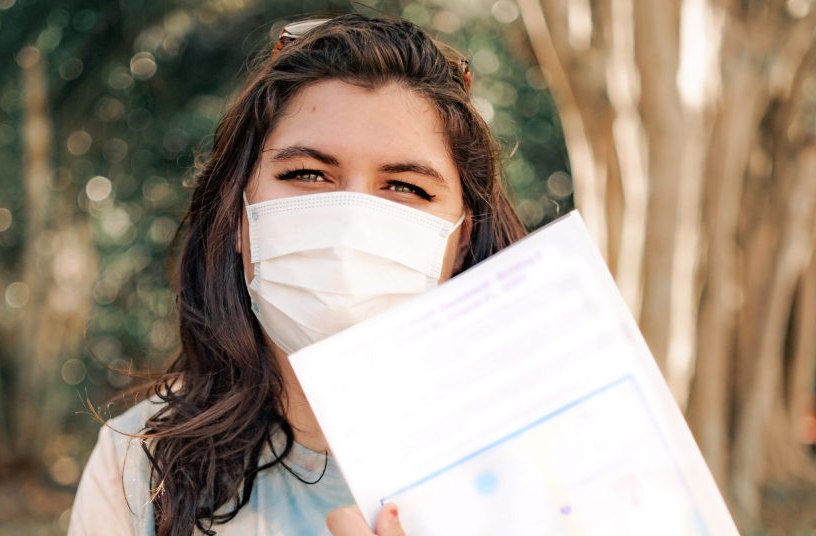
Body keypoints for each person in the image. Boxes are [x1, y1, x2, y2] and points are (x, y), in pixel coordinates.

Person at [69, 12, 526, 536]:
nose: (351, 223)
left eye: (405, 187)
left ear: (463, 236)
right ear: (239, 216)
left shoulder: (549, 461)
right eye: (307, 174)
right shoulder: (139, 467)